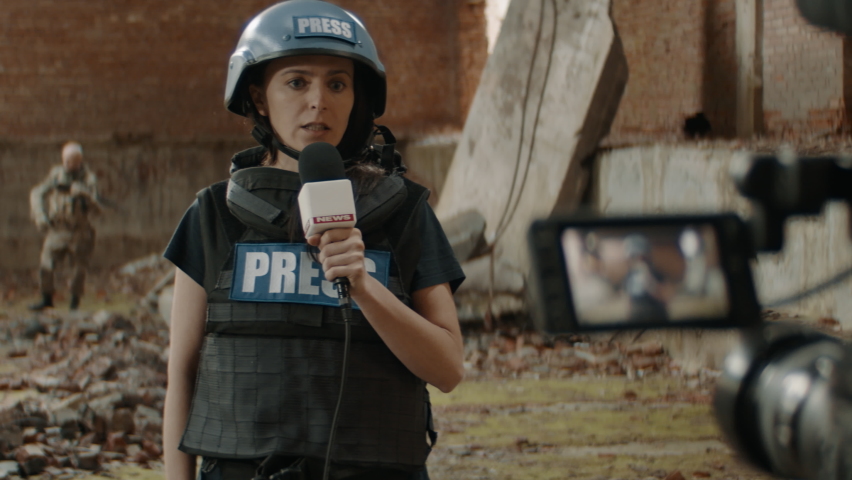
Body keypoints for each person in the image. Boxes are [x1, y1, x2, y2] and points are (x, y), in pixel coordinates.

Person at [162, 1, 466, 479]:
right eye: (297, 81)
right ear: (260, 98)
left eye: (337, 83)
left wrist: (364, 287)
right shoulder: (213, 214)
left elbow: (448, 370)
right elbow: (182, 375)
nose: (318, 100)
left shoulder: (405, 213)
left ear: (357, 99)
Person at [29, 141, 100, 311]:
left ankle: (74, 302)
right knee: (46, 263)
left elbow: (97, 208)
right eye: (67, 161)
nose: (71, 166)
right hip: (58, 229)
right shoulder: (56, 175)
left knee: (79, 270)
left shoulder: (89, 179)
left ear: (80, 161)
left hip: (79, 231)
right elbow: (37, 193)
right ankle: (46, 299)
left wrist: (85, 195)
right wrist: (40, 216)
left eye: (74, 162)